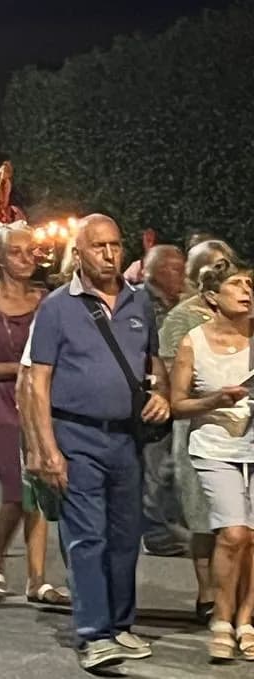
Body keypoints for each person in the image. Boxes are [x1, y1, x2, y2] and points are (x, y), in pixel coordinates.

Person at [29, 214, 170, 670]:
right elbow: (37, 382)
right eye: (98, 247)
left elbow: (154, 361)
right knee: (87, 536)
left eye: (114, 246)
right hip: (76, 434)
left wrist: (162, 394)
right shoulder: (56, 307)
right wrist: (46, 448)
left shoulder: (139, 303)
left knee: (126, 536)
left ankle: (120, 625)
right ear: (79, 252)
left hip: (126, 439)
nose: (109, 256)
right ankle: (94, 633)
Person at [0, 222, 66, 603]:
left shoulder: (49, 300)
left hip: (41, 404)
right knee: (16, 491)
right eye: (17, 252)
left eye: (31, 251)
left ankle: (37, 579)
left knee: (37, 488)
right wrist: (20, 368)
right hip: (0, 406)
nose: (27, 258)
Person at [170, 258, 254, 661]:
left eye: (249, 285)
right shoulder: (193, 341)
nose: (246, 291)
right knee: (233, 533)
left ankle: (246, 619)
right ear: (211, 297)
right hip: (215, 446)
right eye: (236, 285)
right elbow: (177, 404)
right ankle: (221, 617)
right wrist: (216, 400)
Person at [159, 238, 238, 623]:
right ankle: (208, 595)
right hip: (198, 426)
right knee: (206, 517)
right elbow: (176, 381)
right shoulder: (181, 319)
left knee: (239, 520)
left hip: (242, 425)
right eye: (215, 267)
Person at [138, 244, 188, 557]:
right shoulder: (141, 302)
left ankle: (168, 524)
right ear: (154, 271)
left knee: (171, 464)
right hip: (156, 396)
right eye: (173, 268)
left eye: (183, 267)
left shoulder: (179, 303)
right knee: (155, 467)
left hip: (179, 394)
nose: (181, 274)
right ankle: (154, 532)